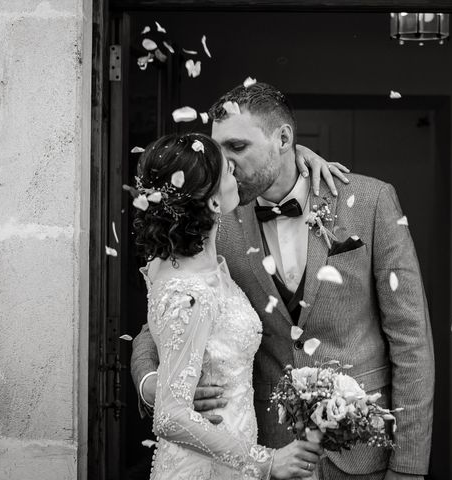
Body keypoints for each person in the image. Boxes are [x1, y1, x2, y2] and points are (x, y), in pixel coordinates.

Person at [132, 82, 435, 480]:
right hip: (260, 449)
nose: (227, 165)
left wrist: (409, 469)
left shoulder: (370, 202)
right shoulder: (213, 221)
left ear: (284, 138)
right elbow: (158, 323)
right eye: (219, 152)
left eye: (238, 148)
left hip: (364, 454)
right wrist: (151, 383)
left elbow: (411, 340)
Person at [132, 132, 324, 479]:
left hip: (229, 455)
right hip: (206, 467)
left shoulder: (184, 265)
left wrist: (299, 155)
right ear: (214, 204)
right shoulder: (189, 291)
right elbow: (170, 415)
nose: (235, 170)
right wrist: (266, 462)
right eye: (227, 171)